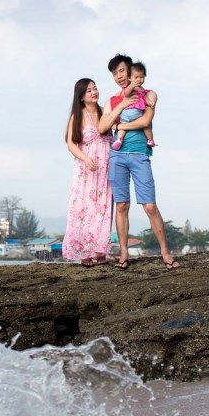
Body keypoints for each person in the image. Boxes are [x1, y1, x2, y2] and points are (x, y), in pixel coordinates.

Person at [97, 54, 179, 270]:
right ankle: (124, 255)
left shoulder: (149, 94)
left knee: (150, 206)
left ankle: (165, 253)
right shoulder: (111, 101)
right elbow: (101, 127)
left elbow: (146, 120)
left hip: (140, 154)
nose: (119, 76)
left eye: (122, 71)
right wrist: (121, 105)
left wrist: (120, 127)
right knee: (122, 205)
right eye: (115, 74)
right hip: (117, 157)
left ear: (131, 70)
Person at [62, 78, 113, 266]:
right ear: (81, 96)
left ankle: (100, 251)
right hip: (86, 168)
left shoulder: (104, 111)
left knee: (103, 208)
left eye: (95, 88)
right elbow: (70, 144)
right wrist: (85, 159)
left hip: (105, 167)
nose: (94, 92)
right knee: (83, 208)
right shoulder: (78, 115)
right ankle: (84, 252)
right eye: (89, 90)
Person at [110, 61, 158, 151]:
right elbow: (127, 93)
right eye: (136, 77)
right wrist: (131, 86)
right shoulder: (133, 87)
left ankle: (119, 139)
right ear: (130, 78)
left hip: (126, 113)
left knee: (123, 126)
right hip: (136, 112)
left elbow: (145, 97)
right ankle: (150, 140)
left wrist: (149, 102)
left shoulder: (143, 89)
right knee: (146, 127)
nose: (139, 80)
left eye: (141, 77)